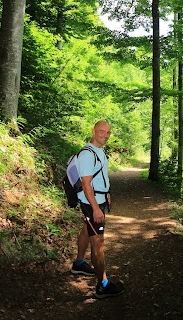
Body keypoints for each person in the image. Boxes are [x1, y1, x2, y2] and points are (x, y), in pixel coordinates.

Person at [69, 120, 124, 299]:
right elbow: (86, 185)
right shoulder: (87, 154)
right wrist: (95, 209)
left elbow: (99, 175)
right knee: (98, 242)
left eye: (108, 132)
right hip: (91, 203)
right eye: (101, 131)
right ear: (93, 131)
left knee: (87, 229)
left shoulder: (99, 151)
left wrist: (106, 192)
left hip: (98, 199)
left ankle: (78, 264)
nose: (105, 135)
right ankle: (103, 285)